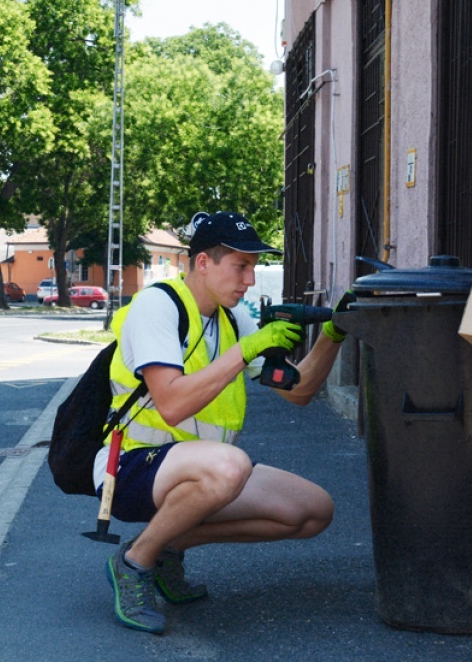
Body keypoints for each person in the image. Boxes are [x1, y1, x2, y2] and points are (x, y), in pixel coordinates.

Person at [99, 211, 349, 634]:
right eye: (241, 266)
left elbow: (299, 391)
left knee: (311, 512)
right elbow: (173, 405)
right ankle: (134, 562)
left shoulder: (232, 318)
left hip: (203, 473)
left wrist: (334, 333)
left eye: (252, 268)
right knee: (230, 464)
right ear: (202, 263)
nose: (250, 280)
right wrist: (248, 350)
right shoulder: (157, 306)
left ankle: (166, 548)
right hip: (128, 468)